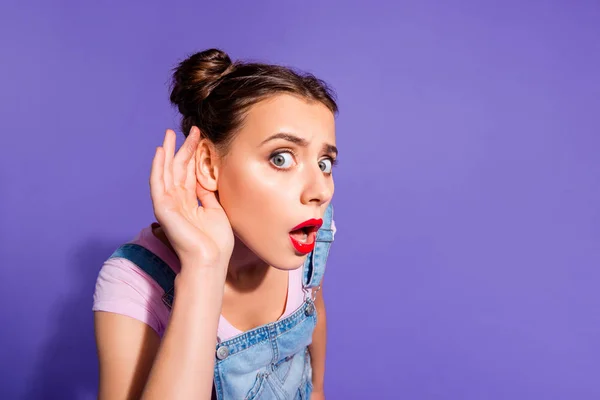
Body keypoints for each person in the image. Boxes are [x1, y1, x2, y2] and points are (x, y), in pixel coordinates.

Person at [93, 48, 339, 400]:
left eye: (325, 163)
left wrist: (317, 391)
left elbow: (313, 305)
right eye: (281, 158)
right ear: (208, 165)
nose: (319, 190)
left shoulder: (309, 229)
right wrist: (204, 267)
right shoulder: (131, 283)